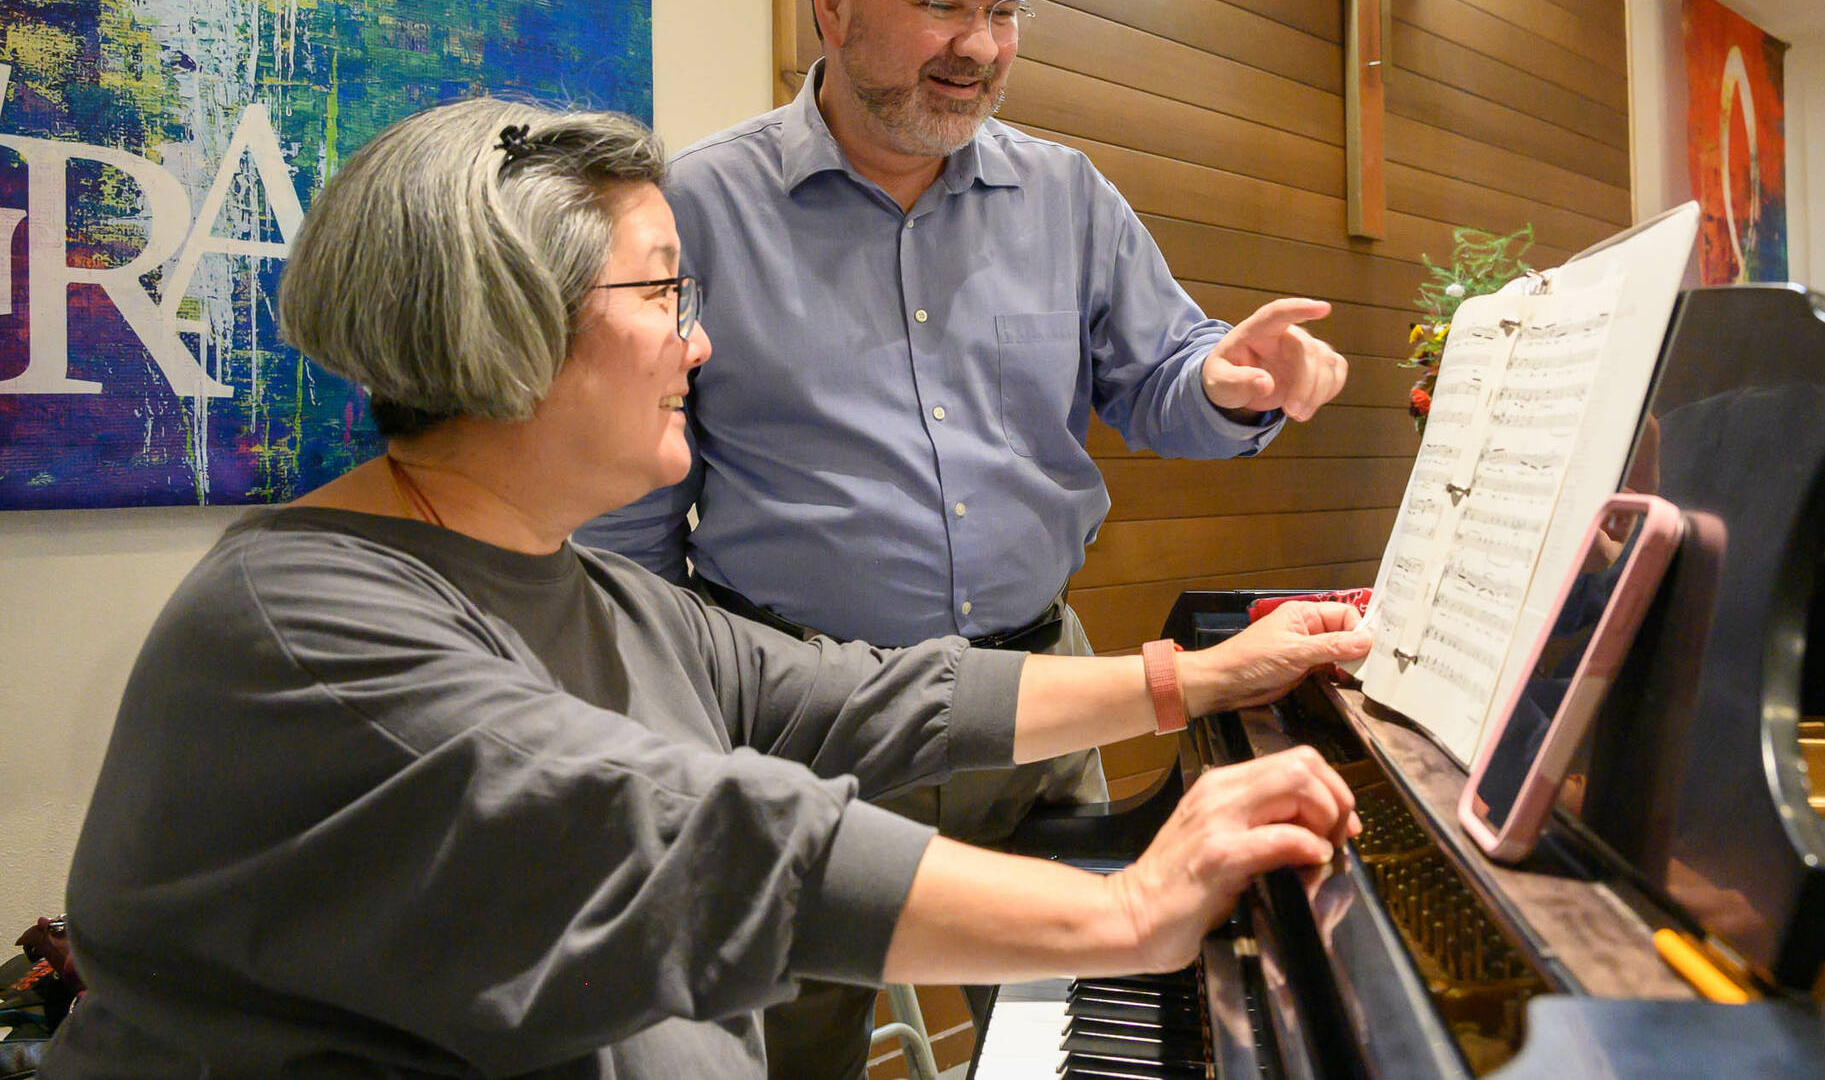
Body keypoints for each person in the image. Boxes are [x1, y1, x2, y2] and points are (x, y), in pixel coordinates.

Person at [39, 99, 1374, 1079]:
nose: (704, 339)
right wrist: (1125, 912)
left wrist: (1184, 682)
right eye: (665, 295)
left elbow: (868, 697)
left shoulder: (592, 592)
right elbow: (683, 835)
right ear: (509, 325)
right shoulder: (297, 623)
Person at [577, 0, 1351, 1076]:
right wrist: (666, 719)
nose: (980, 48)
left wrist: (1226, 377)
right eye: (942, 4)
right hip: (798, 713)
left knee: (1082, 1020)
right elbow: (623, 504)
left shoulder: (1068, 194)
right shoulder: (697, 206)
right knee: (783, 1049)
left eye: (1002, 11)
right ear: (831, 1)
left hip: (1043, 687)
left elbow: (1161, 377)